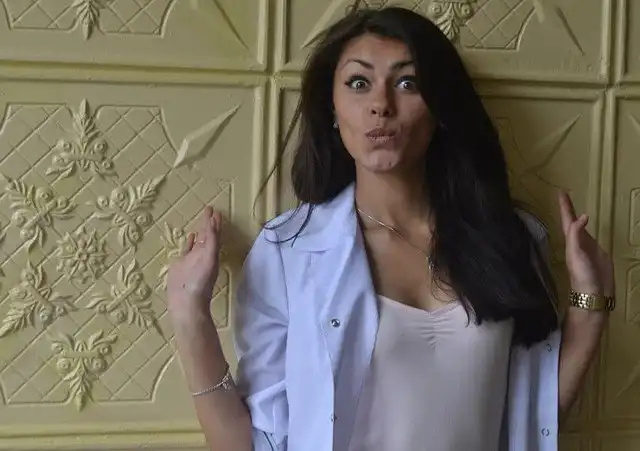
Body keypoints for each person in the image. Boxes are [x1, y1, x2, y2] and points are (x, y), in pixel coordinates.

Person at [166, 6, 615, 451]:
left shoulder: (509, 238)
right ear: (332, 108)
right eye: (358, 83)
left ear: (439, 107)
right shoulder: (290, 251)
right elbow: (253, 443)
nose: (381, 105)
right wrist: (190, 315)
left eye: (407, 83)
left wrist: (591, 303)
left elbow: (532, 423)